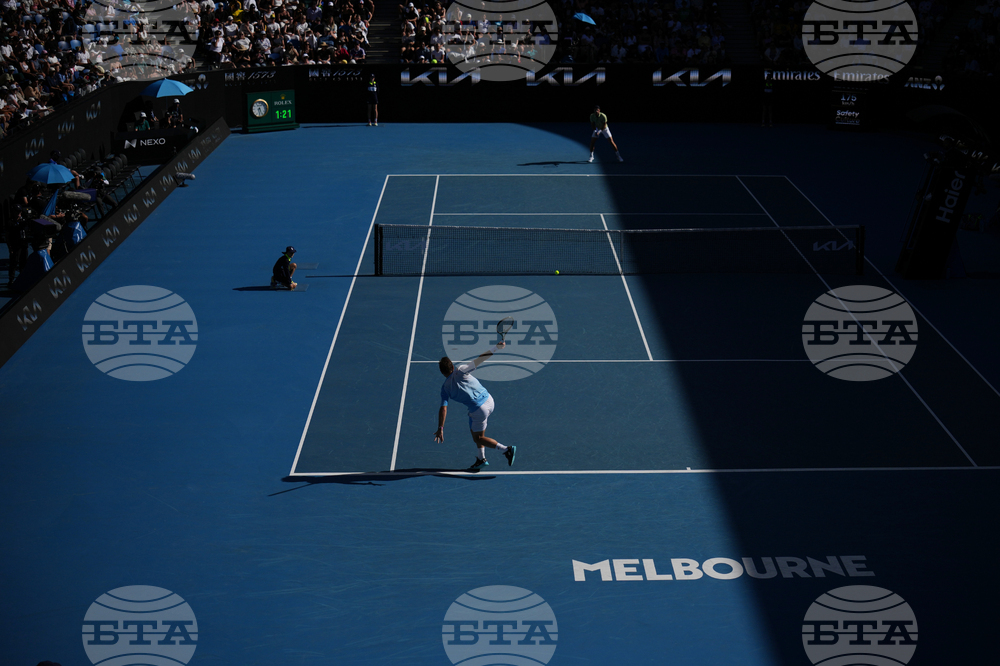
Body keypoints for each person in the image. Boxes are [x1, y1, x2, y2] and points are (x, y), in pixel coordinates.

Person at [435, 343, 516, 470]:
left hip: (479, 410)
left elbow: (443, 408)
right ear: (452, 366)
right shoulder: (461, 370)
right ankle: (481, 459)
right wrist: (496, 348)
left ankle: (506, 449)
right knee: (474, 429)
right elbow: (480, 359)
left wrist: (441, 427)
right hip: (489, 400)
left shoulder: (445, 389)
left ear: (442, 372)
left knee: (478, 438)